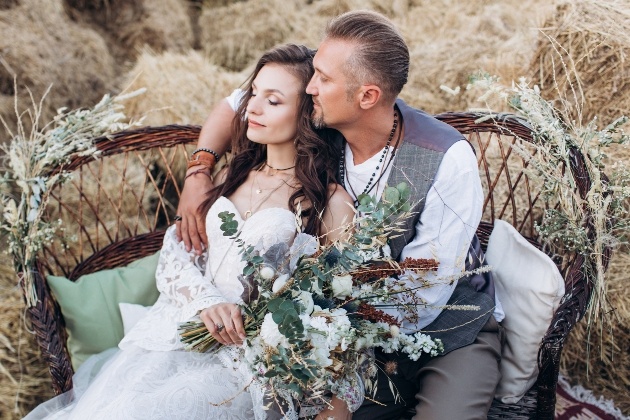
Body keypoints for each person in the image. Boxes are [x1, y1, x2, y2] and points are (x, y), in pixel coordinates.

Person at [176, 10, 505, 420]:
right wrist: (199, 170)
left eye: (322, 80)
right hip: (343, 334)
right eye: (314, 73)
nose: (310, 87)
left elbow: (426, 293)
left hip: (450, 331)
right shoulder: (326, 112)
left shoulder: (444, 158)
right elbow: (240, 102)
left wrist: (312, 323)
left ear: (367, 96)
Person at [25, 44, 357, 420]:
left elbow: (338, 309)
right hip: (179, 331)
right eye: (254, 94)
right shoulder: (230, 174)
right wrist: (205, 301)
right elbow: (178, 249)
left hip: (245, 362)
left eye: (274, 101)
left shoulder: (329, 203)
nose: (252, 108)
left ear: (308, 113)